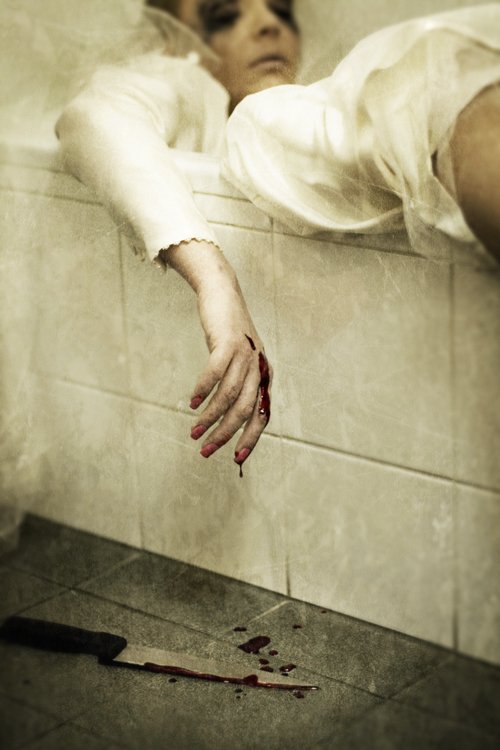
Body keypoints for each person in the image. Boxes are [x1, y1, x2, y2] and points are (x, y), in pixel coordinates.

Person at [56, 1, 500, 473]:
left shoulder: (306, 107)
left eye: (282, 12)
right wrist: (215, 279)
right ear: (177, 43)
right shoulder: (216, 103)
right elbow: (92, 117)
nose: (269, 25)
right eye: (225, 14)